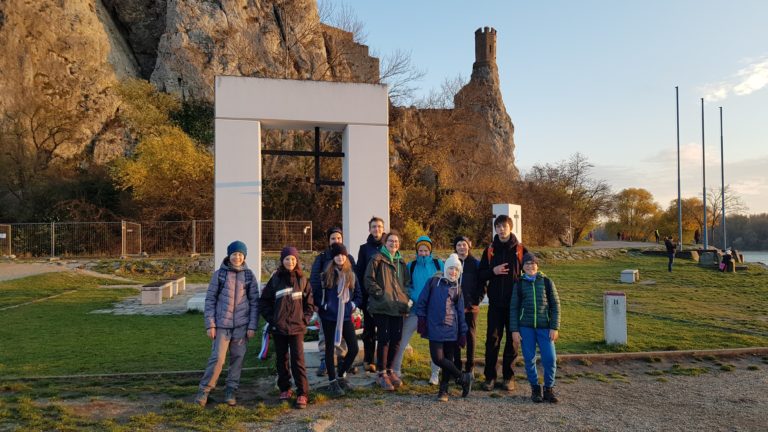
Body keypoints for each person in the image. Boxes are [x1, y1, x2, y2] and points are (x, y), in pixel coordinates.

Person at [195, 240, 260, 407]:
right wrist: (210, 325)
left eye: (240, 254)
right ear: (229, 255)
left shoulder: (249, 275)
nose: (237, 257)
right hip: (222, 326)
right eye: (234, 254)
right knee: (218, 359)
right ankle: (205, 390)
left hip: (242, 326)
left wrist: (252, 326)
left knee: (237, 359)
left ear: (244, 256)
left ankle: (231, 390)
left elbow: (254, 302)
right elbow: (210, 300)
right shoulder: (219, 274)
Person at [260, 246, 314, 409]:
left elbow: (310, 304)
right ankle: (285, 389)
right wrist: (273, 319)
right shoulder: (275, 279)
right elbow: (264, 301)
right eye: (286, 259)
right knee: (281, 360)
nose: (290, 261)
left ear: (297, 260)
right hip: (280, 328)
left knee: (298, 360)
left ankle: (302, 393)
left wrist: (304, 319)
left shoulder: (303, 280)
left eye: (293, 259)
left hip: (297, 327)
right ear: (282, 261)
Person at [478, 214, 528, 392]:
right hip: (495, 304)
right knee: (492, 340)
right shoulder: (490, 250)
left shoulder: (521, 249)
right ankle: (490, 377)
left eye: (504, 226)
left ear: (510, 228)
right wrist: (493, 270)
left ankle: (509, 377)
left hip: (514, 304)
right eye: (498, 226)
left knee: (512, 341)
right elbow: (481, 274)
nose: (501, 229)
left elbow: (531, 271)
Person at [414, 253, 472, 401]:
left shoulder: (458, 288)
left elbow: (460, 313)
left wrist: (463, 333)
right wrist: (421, 319)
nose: (453, 272)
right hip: (435, 327)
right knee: (438, 358)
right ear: (446, 268)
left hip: (451, 329)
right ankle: (462, 377)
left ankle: (443, 390)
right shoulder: (433, 282)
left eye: (456, 270)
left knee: (448, 359)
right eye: (451, 268)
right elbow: (422, 301)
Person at [510, 253, 560, 403]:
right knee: (529, 359)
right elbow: (514, 308)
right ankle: (535, 388)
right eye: (527, 264)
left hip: (545, 328)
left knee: (550, 358)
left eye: (533, 263)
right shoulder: (519, 284)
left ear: (537, 265)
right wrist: (514, 330)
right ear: (522, 267)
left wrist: (554, 327)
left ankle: (549, 388)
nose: (530, 266)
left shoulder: (546, 282)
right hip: (526, 327)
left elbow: (555, 306)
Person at [392, 235, 443, 385]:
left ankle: (435, 374)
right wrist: (414, 297)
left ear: (430, 250)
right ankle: (396, 371)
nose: (423, 253)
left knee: (435, 343)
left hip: (433, 311)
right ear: (417, 251)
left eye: (426, 250)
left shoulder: (438, 263)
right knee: (402, 339)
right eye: (420, 250)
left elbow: (444, 283)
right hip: (415, 309)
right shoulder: (411, 266)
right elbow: (407, 285)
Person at [313, 243, 362, 397]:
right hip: (329, 317)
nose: (340, 257)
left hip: (345, 316)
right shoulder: (326, 275)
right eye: (337, 255)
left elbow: (359, 294)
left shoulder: (351, 275)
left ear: (346, 256)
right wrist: (324, 306)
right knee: (329, 350)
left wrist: (352, 305)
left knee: (353, 348)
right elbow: (316, 294)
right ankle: (332, 381)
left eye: (342, 255)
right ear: (333, 257)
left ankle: (341, 375)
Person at [364, 229, 411, 391]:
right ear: (385, 243)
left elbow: (406, 283)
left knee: (396, 339)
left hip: (398, 307)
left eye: (396, 242)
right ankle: (381, 373)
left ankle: (390, 370)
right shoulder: (377, 259)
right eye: (391, 241)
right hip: (382, 306)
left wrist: (405, 297)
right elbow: (368, 280)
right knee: (384, 339)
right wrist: (381, 294)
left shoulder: (401, 262)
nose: (394, 244)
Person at [310, 227, 357, 377]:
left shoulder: (348, 258)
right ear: (328, 241)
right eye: (332, 238)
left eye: (338, 238)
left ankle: (343, 360)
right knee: (325, 335)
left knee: (345, 334)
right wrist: (318, 302)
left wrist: (353, 303)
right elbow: (315, 280)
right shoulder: (322, 257)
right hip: (327, 307)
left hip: (344, 307)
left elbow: (354, 282)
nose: (335, 240)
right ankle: (325, 360)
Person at [355, 216, 386, 373]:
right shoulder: (364, 249)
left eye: (379, 226)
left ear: (383, 228)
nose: (377, 229)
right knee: (369, 330)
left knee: (383, 330)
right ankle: (369, 360)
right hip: (369, 296)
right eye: (374, 227)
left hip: (385, 297)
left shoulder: (389, 246)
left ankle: (383, 361)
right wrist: (360, 296)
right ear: (370, 229)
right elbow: (359, 273)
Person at [451, 235, 483, 377]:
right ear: (455, 247)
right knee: (455, 335)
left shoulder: (475, 263)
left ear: (469, 246)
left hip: (471, 307)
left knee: (470, 335)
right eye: (459, 245)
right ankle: (457, 366)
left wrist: (475, 302)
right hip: (454, 306)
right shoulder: (452, 263)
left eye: (464, 244)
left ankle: (470, 367)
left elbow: (482, 285)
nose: (462, 247)